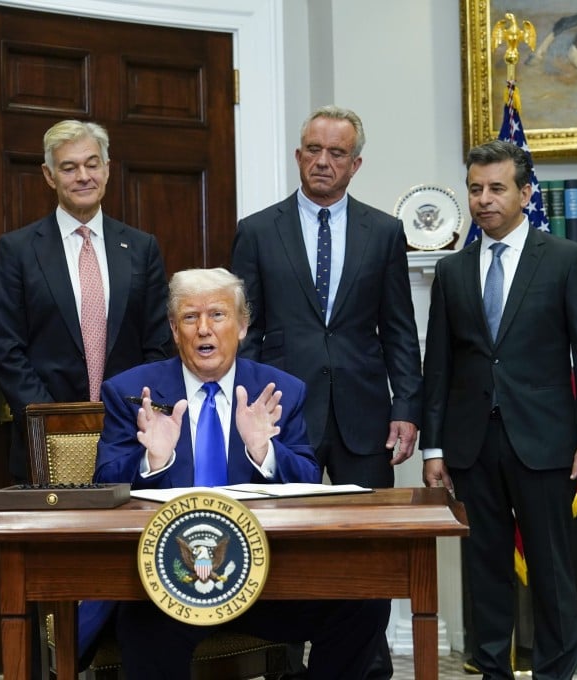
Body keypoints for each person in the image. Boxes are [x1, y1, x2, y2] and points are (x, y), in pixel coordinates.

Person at [93, 267, 388, 680]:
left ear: (243, 325)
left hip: (265, 577)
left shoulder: (278, 389)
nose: (203, 330)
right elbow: (103, 482)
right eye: (190, 318)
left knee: (365, 601)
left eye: (217, 315)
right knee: (145, 627)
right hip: (167, 580)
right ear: (175, 331)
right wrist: (153, 461)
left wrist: (265, 450)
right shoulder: (133, 390)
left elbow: (307, 479)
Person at [231, 104, 422, 677]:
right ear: (298, 155)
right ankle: (287, 658)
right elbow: (244, 330)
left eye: (336, 153)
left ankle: (371, 662)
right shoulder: (258, 230)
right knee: (280, 540)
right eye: (313, 149)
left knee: (371, 542)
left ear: (356, 163)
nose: (322, 161)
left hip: (365, 412)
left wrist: (406, 408)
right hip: (280, 417)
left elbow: (399, 329)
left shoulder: (384, 232)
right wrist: (250, 411)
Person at [421, 140, 577, 680]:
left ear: (525, 194)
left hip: (546, 442)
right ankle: (491, 670)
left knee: (550, 569)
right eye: (476, 189)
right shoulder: (453, 270)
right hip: (470, 443)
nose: (484, 199)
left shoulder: (566, 259)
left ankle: (556, 672)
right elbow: (437, 365)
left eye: (497, 188)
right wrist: (433, 447)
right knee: (484, 568)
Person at [0, 119, 174, 481]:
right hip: (43, 436)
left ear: (107, 169)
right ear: (48, 175)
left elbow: (158, 344)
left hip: (132, 433)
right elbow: (6, 347)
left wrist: (132, 410)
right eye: (69, 167)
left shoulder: (141, 247)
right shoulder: (18, 250)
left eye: (92, 164)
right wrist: (51, 418)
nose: (83, 176)